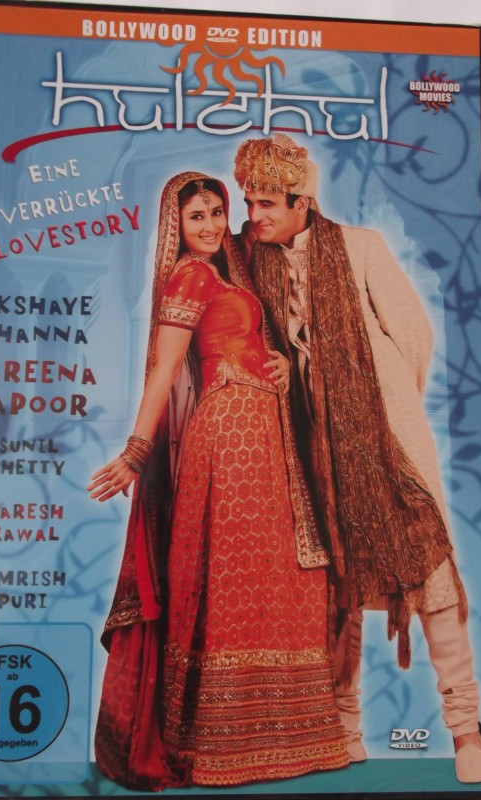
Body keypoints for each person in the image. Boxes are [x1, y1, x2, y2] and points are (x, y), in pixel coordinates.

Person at [233, 134, 481, 784]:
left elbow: (415, 335)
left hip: (387, 438)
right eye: (249, 202)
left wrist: (381, 409)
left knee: (429, 568)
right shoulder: (246, 261)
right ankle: (343, 729)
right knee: (333, 586)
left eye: (266, 203)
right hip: (302, 444)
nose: (254, 215)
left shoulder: (360, 247)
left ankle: (466, 727)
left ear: (302, 201)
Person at [88, 171, 349, 790]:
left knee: (274, 572)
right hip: (231, 437)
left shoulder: (226, 275)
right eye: (195, 216)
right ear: (175, 226)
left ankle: (278, 737)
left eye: (214, 212)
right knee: (234, 577)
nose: (208, 226)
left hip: (261, 432)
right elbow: (165, 370)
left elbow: (239, 337)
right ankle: (217, 743)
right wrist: (135, 451)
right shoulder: (190, 276)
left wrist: (276, 362)